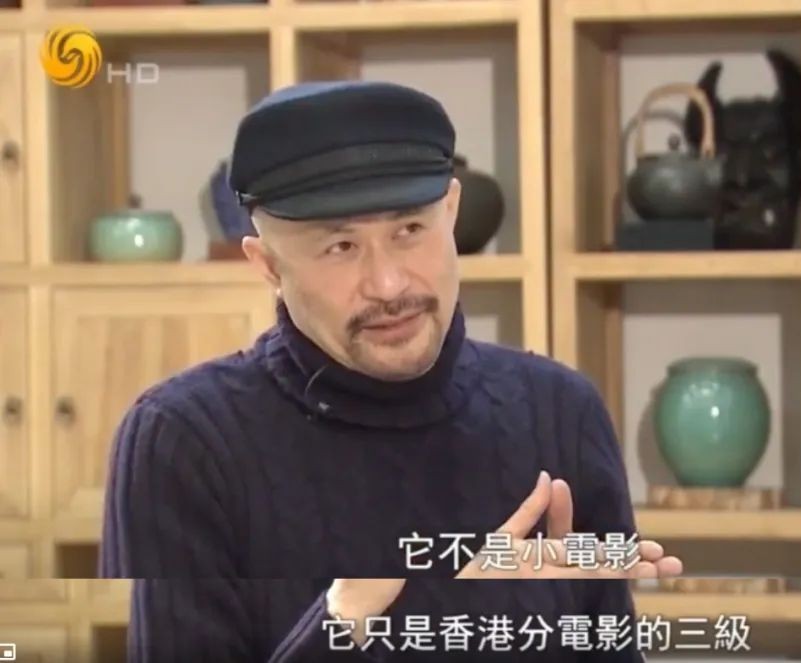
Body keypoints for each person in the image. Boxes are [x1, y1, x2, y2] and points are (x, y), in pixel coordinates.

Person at [98, 80, 684, 662]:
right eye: (341, 247)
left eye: (409, 231)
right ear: (268, 264)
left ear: (450, 212)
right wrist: (350, 623)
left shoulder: (561, 414)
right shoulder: (184, 441)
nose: (388, 285)